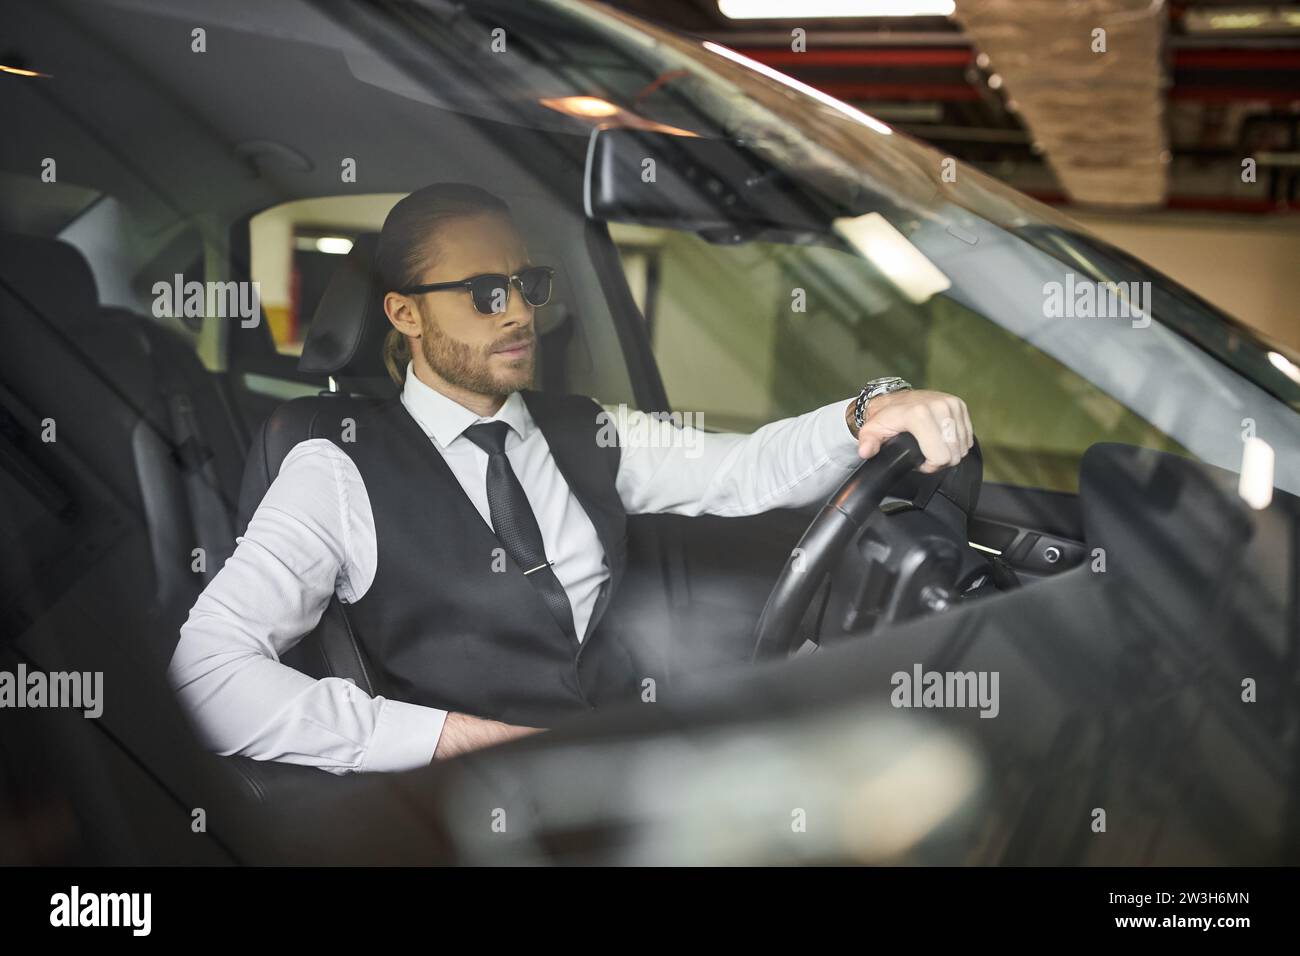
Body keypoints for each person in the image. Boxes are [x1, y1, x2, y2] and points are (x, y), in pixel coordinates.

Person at [168, 183, 974, 774]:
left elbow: (745, 470)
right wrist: (459, 741)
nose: (519, 312)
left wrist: (869, 408)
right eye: (485, 294)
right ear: (406, 315)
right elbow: (209, 676)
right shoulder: (333, 465)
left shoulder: (586, 427)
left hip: (637, 773)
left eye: (528, 285)